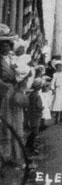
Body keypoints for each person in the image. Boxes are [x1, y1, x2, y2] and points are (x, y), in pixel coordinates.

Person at [0, 24, 26, 166]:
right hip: (3, 94)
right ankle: (6, 155)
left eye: (7, 45)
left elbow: (22, 73)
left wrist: (20, 84)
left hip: (15, 93)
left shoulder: (14, 58)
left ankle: (17, 155)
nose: (6, 48)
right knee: (6, 124)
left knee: (17, 123)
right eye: (2, 45)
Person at [26, 78, 43, 154]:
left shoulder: (30, 94)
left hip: (30, 114)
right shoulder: (37, 95)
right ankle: (30, 146)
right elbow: (39, 106)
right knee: (35, 131)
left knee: (33, 129)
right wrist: (42, 108)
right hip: (36, 114)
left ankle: (29, 145)